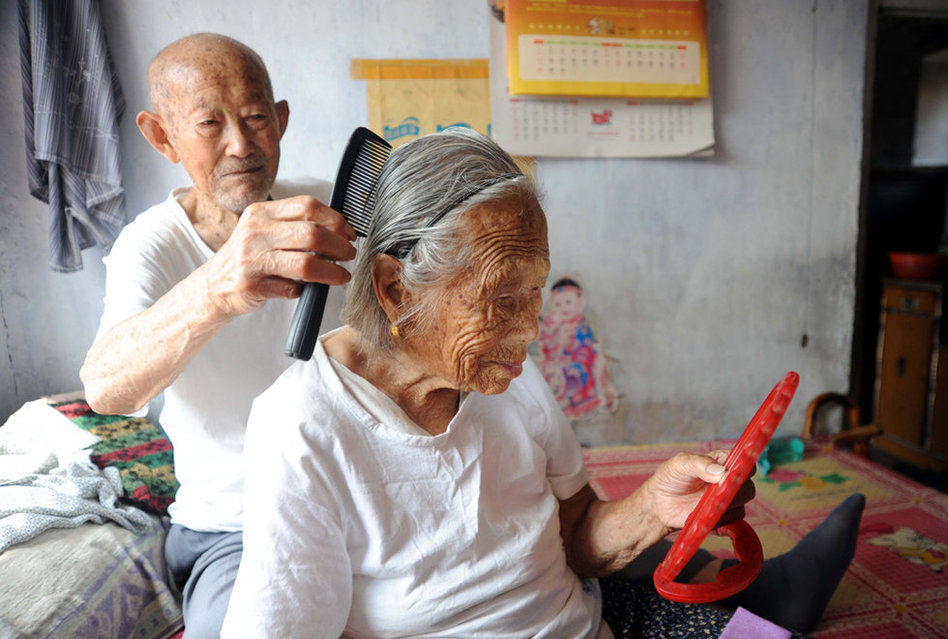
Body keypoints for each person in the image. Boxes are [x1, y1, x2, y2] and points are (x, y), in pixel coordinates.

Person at [221, 127, 865, 638]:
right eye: (502, 301)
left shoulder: (509, 376)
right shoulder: (301, 426)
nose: (530, 332)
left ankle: (770, 599)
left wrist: (653, 509)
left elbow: (576, 536)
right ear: (395, 289)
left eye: (536, 295)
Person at [79, 33, 356, 637]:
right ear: (162, 136)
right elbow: (106, 389)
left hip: (358, 507)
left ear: (279, 122)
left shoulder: (326, 213)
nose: (240, 144)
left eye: (257, 118)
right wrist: (218, 289)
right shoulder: (149, 245)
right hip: (237, 529)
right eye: (210, 123)